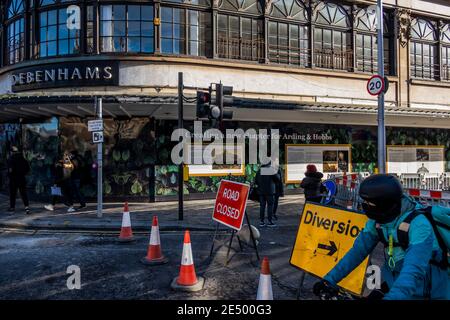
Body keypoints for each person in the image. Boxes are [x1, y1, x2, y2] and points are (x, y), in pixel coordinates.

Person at [313, 174, 449, 300]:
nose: (364, 206)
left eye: (369, 203)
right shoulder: (377, 221)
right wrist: (329, 280)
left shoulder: (419, 225)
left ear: (385, 204)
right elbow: (357, 252)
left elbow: (413, 271)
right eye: (363, 201)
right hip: (394, 282)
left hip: (428, 291)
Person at [255, 162, 280, 228]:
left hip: (261, 191)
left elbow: (256, 181)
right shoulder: (271, 170)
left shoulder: (259, 170)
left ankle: (262, 221)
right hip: (270, 192)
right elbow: (278, 179)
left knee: (262, 206)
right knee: (270, 206)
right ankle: (270, 221)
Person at [7, 146, 30, 214]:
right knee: (23, 193)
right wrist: (22, 173)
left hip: (13, 179)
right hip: (22, 178)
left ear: (12, 152)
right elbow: (27, 169)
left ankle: (12, 207)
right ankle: (27, 207)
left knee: (13, 194)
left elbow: (10, 170)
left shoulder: (11, 159)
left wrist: (9, 175)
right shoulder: (23, 159)